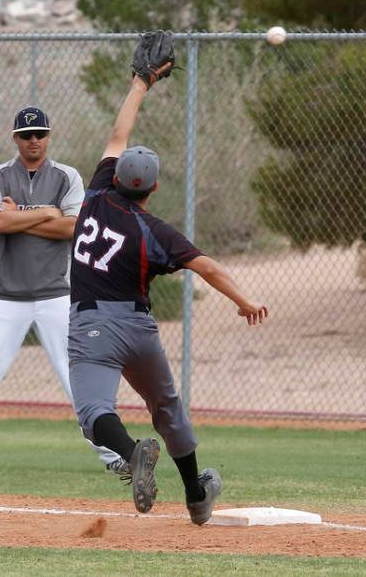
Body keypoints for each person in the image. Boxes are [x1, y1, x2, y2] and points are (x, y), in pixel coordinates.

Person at [67, 33, 268, 524]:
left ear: (115, 177)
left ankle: (132, 452)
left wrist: (141, 82)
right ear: (153, 188)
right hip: (139, 331)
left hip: (92, 328)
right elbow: (208, 267)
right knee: (169, 407)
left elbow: (118, 133)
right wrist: (243, 301)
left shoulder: (94, 194)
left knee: (94, 413)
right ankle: (196, 494)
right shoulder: (156, 232)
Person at [0, 106, 125, 476]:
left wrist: (22, 217)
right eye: (27, 134)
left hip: (57, 293)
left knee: (78, 376)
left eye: (40, 134)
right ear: (15, 138)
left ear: (49, 137)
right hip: (6, 294)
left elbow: (72, 228)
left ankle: (112, 452)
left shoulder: (67, 176)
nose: (34, 140)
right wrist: (46, 213)